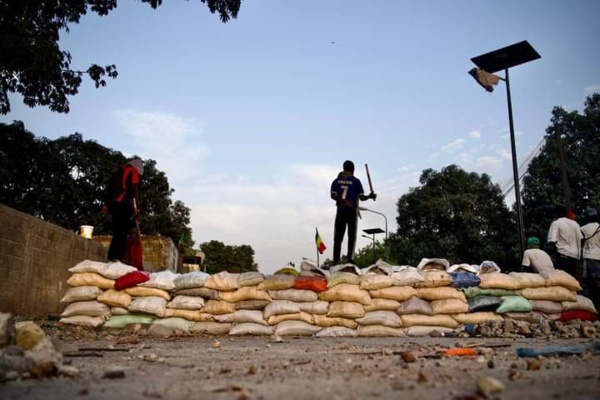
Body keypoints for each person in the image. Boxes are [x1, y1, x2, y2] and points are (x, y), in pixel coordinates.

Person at [330, 160, 376, 265]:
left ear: (343, 168)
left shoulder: (336, 181)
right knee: (351, 236)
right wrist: (370, 196)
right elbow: (362, 197)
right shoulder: (356, 181)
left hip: (341, 210)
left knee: (338, 237)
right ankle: (349, 259)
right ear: (353, 169)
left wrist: (342, 201)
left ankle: (336, 261)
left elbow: (333, 196)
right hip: (351, 210)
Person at [102, 158, 143, 263]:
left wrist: (106, 204)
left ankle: (112, 256)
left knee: (117, 230)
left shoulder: (118, 171)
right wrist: (137, 207)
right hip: (122, 203)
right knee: (123, 230)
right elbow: (134, 189)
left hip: (113, 204)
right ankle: (118, 256)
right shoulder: (133, 171)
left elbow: (109, 189)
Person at [546, 204, 583, 282]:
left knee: (562, 280)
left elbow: (552, 240)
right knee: (572, 279)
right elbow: (581, 239)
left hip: (562, 254)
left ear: (555, 214)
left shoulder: (556, 223)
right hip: (574, 256)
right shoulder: (575, 224)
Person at [581, 207, 600, 307]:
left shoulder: (583, 229)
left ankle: (590, 305)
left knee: (588, 282)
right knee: (597, 281)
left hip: (589, 256)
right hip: (599, 256)